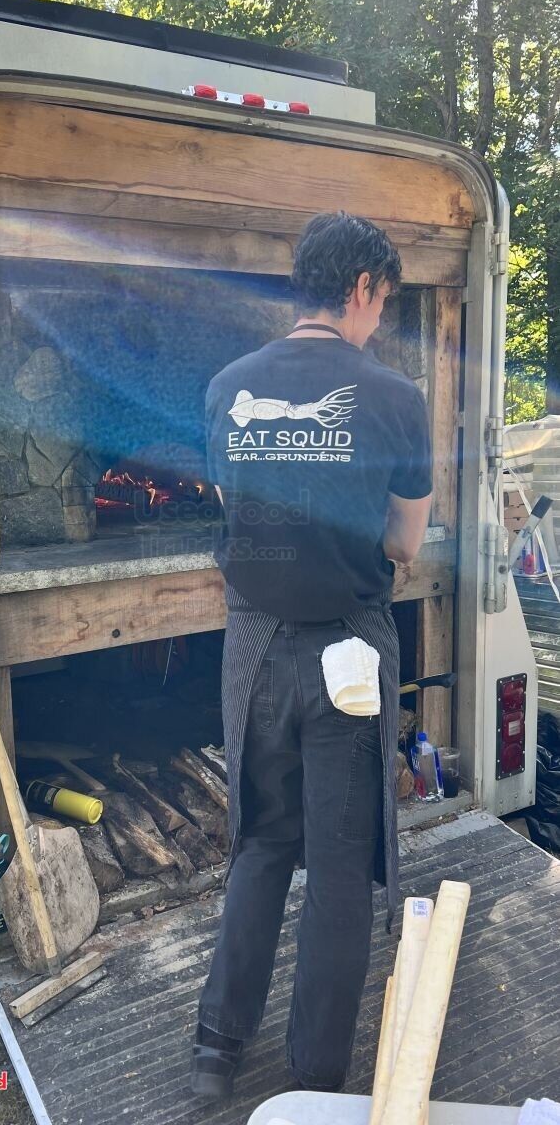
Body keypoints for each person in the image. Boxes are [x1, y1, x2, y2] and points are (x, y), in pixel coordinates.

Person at [190, 211, 433, 1100]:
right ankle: (316, 1078)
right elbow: (404, 543)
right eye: (382, 302)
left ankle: (216, 1050)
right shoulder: (395, 397)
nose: (379, 320)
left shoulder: (227, 387)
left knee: (261, 841)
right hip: (350, 655)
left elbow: (233, 506)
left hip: (253, 646)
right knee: (337, 861)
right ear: (362, 286)